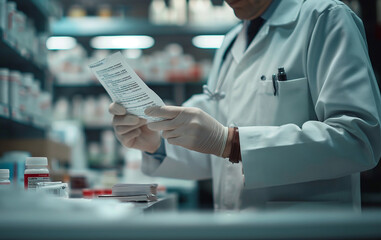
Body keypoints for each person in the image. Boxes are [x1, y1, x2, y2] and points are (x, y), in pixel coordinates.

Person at [109, 0, 381, 211]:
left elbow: (359, 139)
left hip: (304, 226)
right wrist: (156, 143)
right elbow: (214, 150)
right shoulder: (231, 41)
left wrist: (233, 143)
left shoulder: (324, 18)